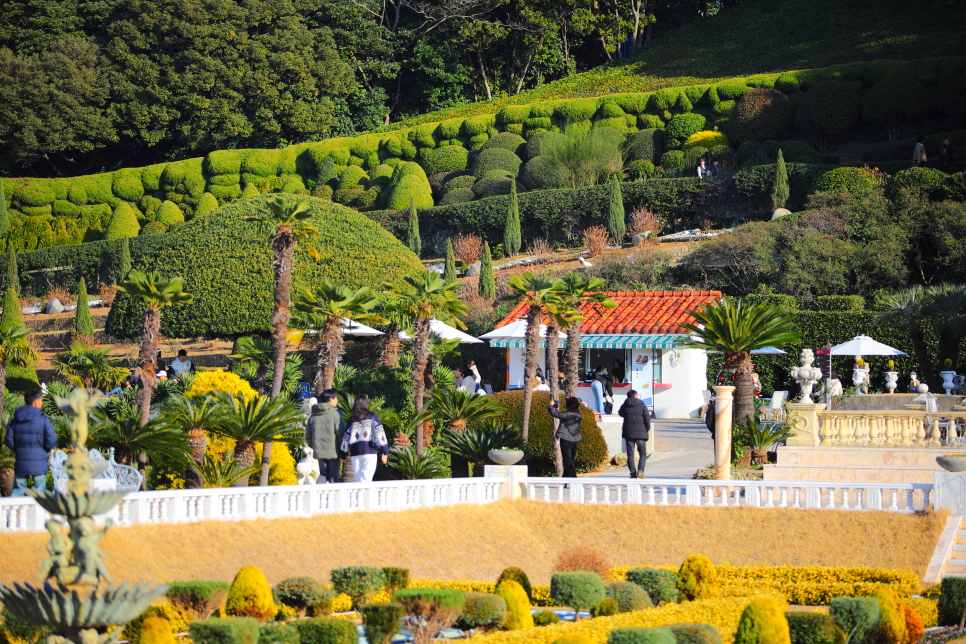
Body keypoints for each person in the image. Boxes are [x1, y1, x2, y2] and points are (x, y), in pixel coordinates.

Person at [5, 390, 56, 496]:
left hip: (21, 460)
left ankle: (8, 511)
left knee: (18, 489)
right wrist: (45, 449)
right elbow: (51, 440)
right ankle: (38, 512)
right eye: (41, 400)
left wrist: (18, 449)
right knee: (39, 491)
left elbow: (8, 440)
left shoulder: (16, 420)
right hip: (39, 462)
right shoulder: (43, 420)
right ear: (36, 402)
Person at [340, 394, 389, 483]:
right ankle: (365, 497)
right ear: (366, 403)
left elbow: (346, 437)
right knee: (366, 479)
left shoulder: (352, 419)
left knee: (358, 480)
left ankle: (359, 497)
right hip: (369, 452)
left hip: (355, 453)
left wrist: (343, 454)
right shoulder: (373, 416)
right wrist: (385, 451)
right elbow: (380, 434)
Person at [305, 389, 346, 484]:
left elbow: (308, 435)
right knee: (333, 478)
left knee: (322, 476)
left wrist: (316, 447)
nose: (337, 400)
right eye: (336, 398)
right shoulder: (336, 415)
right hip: (334, 453)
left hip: (319, 452)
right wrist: (343, 450)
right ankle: (334, 498)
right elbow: (341, 435)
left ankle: (319, 497)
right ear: (331, 399)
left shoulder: (313, 415)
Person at [618, 390, 651, 479]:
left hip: (629, 433)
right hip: (641, 433)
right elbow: (647, 419)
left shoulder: (625, 405)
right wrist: (646, 429)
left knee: (630, 455)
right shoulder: (642, 405)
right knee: (643, 454)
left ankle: (633, 473)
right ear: (635, 395)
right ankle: (640, 471)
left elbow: (620, 413)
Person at [548, 397, 582, 478]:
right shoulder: (578, 415)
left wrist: (551, 405)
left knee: (567, 462)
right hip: (575, 440)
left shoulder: (566, 414)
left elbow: (553, 413)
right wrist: (558, 411)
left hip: (566, 439)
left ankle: (574, 480)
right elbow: (565, 415)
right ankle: (565, 479)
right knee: (570, 461)